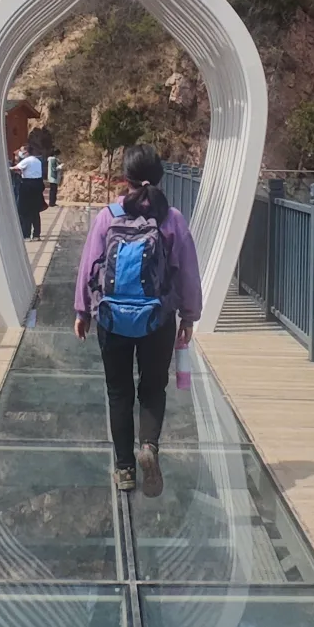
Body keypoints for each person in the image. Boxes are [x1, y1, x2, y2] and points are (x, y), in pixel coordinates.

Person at [74, 144, 202, 498]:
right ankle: (148, 446)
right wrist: (189, 316)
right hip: (157, 319)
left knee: (118, 392)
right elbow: (188, 273)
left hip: (112, 319)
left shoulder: (108, 215)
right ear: (160, 177)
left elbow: (89, 265)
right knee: (152, 388)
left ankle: (125, 469)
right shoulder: (171, 218)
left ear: (124, 178)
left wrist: (82, 311)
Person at [12, 144, 47, 241]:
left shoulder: (27, 160)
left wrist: (9, 168)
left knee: (25, 211)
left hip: (28, 186)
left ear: (26, 152)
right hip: (38, 184)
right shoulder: (37, 160)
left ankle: (26, 234)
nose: (20, 153)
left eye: (22, 151)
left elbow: (16, 168)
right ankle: (36, 234)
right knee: (35, 211)